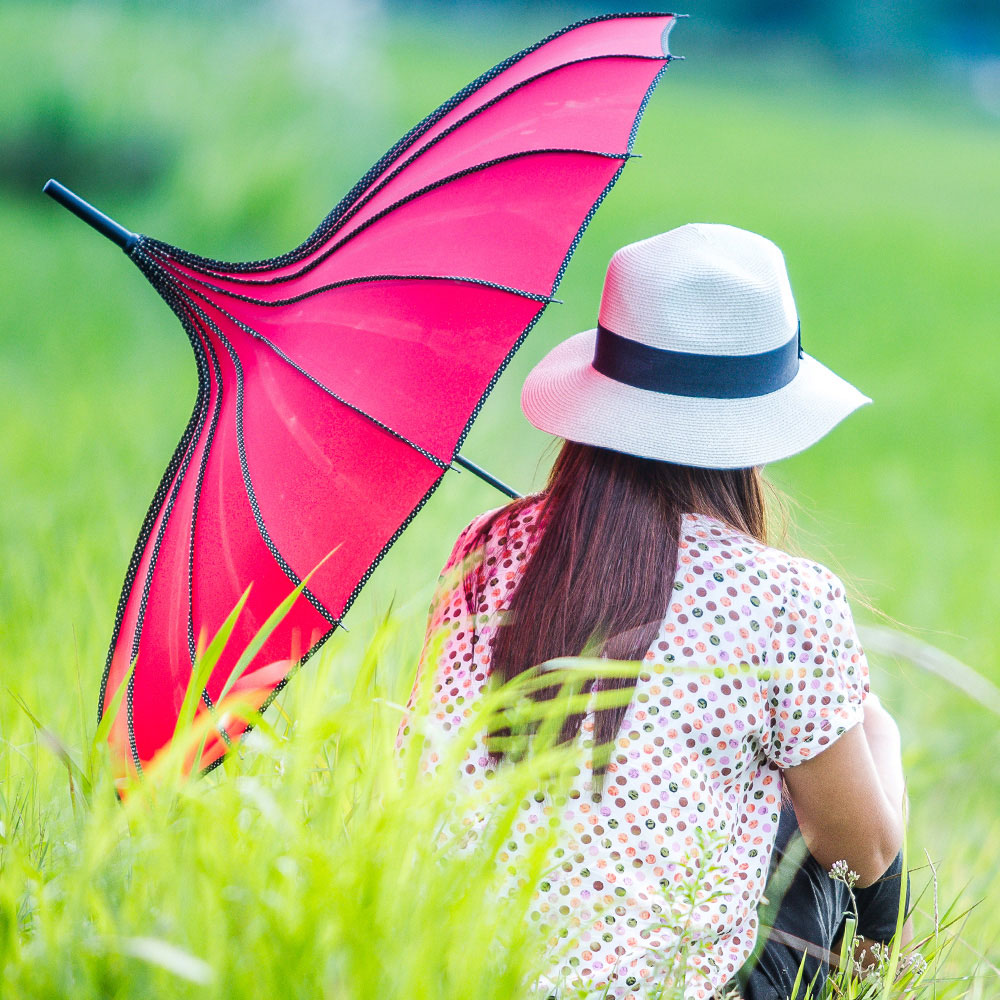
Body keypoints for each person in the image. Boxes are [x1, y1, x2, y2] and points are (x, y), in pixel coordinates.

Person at [397, 224, 910, 999]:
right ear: (758, 425)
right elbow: (862, 855)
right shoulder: (786, 599)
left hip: (447, 975)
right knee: (826, 796)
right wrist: (881, 733)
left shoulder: (487, 544)